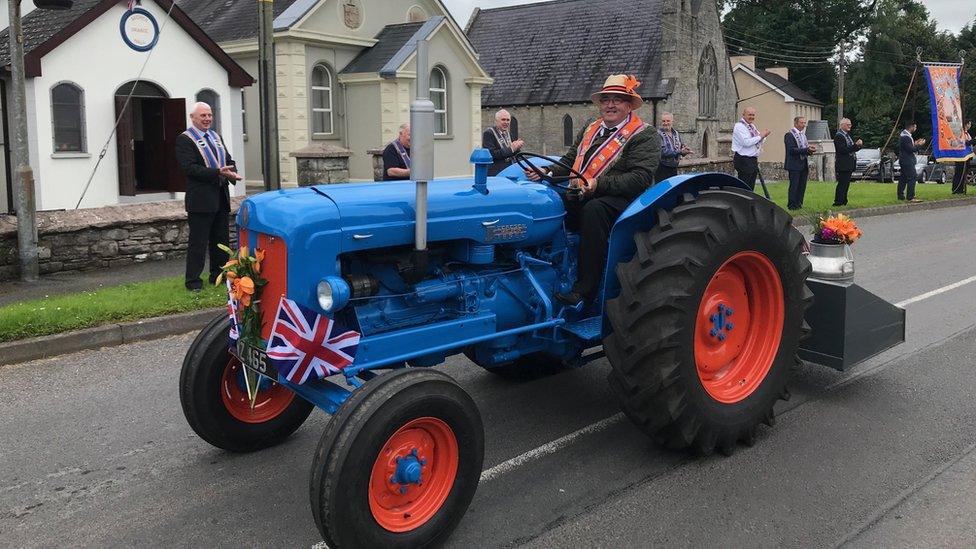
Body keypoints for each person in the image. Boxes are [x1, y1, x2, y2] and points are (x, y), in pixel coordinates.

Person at [524, 74, 659, 306]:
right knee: (551, 203)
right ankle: (540, 266)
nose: (610, 104)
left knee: (594, 210)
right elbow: (570, 159)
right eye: (606, 99)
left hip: (626, 201)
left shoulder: (644, 135)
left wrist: (597, 184)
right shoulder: (591, 128)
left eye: (617, 99)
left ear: (629, 105)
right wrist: (546, 171)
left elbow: (640, 178)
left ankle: (585, 290)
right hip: (586, 192)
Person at [175, 102, 242, 292]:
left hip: (220, 197)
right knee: (198, 243)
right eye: (203, 116)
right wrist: (217, 172)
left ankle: (218, 276)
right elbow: (190, 168)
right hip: (201, 200)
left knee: (221, 242)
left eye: (209, 115)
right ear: (193, 117)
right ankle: (193, 282)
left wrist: (232, 172)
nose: (207, 119)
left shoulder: (216, 136)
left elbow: (228, 160)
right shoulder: (185, 139)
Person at [731, 106, 771, 191]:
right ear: (743, 115)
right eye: (749, 115)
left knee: (750, 187)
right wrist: (761, 136)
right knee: (744, 186)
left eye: (753, 115)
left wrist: (763, 136)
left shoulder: (752, 126)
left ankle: (748, 203)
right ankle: (742, 203)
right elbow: (746, 143)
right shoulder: (739, 126)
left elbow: (759, 140)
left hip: (752, 159)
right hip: (743, 159)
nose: (752, 117)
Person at [784, 116, 816, 210]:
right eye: (801, 123)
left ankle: (799, 204)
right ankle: (792, 205)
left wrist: (810, 150)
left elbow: (804, 148)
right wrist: (806, 150)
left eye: (804, 123)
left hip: (803, 164)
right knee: (794, 186)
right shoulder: (789, 135)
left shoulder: (803, 135)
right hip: (794, 165)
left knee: (802, 186)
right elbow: (792, 150)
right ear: (796, 123)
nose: (803, 125)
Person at [483, 109, 525, 176]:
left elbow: (515, 153)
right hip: (496, 173)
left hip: (510, 169)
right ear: (496, 121)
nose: (506, 122)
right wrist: (511, 149)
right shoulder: (489, 133)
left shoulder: (509, 133)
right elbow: (492, 155)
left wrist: (517, 147)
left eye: (508, 120)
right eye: (503, 120)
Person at [833, 118, 863, 206]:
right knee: (842, 183)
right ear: (842, 125)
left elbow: (851, 148)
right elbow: (842, 150)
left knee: (846, 184)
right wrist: (855, 145)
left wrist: (858, 146)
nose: (850, 126)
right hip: (843, 163)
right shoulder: (839, 136)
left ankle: (844, 200)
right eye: (847, 124)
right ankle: (838, 201)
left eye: (850, 124)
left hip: (849, 163)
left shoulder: (847, 135)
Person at [656, 111, 693, 181]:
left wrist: (685, 149)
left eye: (668, 121)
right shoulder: (658, 134)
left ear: (672, 121)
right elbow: (662, 152)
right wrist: (679, 152)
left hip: (674, 167)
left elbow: (681, 145)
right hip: (662, 168)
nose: (666, 123)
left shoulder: (676, 133)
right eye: (663, 121)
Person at [897, 121, 926, 202]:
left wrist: (915, 143)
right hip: (907, 160)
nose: (915, 129)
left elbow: (908, 146)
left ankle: (901, 195)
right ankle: (910, 197)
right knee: (912, 177)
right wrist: (919, 145)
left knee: (903, 178)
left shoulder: (905, 135)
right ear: (911, 127)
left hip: (904, 160)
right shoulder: (905, 137)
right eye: (915, 127)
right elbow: (910, 149)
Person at [951, 120, 973, 194]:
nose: (970, 125)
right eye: (970, 124)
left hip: (967, 156)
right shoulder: (961, 133)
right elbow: (964, 143)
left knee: (964, 173)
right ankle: (957, 189)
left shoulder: (968, 134)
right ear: (967, 124)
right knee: (959, 172)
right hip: (961, 156)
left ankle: (961, 188)